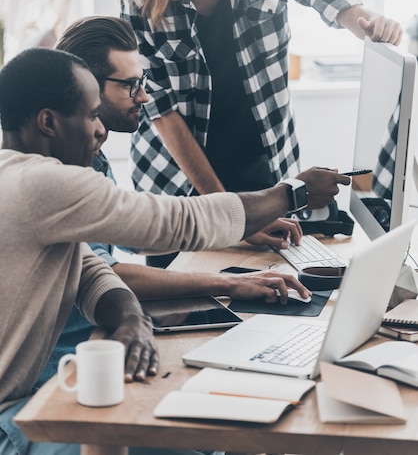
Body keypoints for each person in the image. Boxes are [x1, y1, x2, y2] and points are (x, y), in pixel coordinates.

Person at [0, 47, 349, 455]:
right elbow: (177, 220)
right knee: (197, 437)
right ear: (48, 122)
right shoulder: (41, 184)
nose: (100, 131)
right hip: (11, 419)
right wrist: (292, 193)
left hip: (25, 402)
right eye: (92, 115)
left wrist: (132, 320)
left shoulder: (21, 178)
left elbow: (89, 268)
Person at [119, 0, 402, 262]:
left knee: (274, 297)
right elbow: (164, 116)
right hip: (182, 189)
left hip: (265, 171)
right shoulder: (142, 0)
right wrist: (232, 218)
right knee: (187, 311)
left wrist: (369, 23)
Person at [34, 14, 311, 387]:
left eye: (143, 82)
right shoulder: (57, 175)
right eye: (132, 85)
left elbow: (131, 228)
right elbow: (106, 271)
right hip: (70, 363)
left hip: (99, 342)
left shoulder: (91, 156)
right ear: (87, 85)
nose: (145, 96)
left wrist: (238, 233)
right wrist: (225, 283)